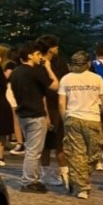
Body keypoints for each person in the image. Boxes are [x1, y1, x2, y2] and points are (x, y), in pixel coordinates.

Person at [58, 51, 103, 199]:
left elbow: (62, 104)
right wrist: (97, 111)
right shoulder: (97, 79)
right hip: (92, 119)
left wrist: (65, 121)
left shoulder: (66, 79)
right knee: (94, 154)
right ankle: (83, 187)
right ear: (88, 64)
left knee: (77, 153)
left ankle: (78, 179)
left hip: (72, 119)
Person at [9, 41, 57, 193]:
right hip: (35, 114)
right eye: (37, 54)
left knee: (31, 149)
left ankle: (31, 179)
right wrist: (48, 68)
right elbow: (55, 85)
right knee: (34, 151)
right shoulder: (34, 71)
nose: (39, 57)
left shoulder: (15, 72)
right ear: (30, 55)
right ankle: (29, 181)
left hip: (23, 114)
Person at [37, 33, 70, 189]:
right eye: (55, 46)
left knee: (60, 141)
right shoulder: (39, 63)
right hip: (46, 105)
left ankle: (63, 172)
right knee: (46, 144)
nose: (58, 48)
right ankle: (46, 173)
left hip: (58, 104)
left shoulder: (59, 62)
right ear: (50, 48)